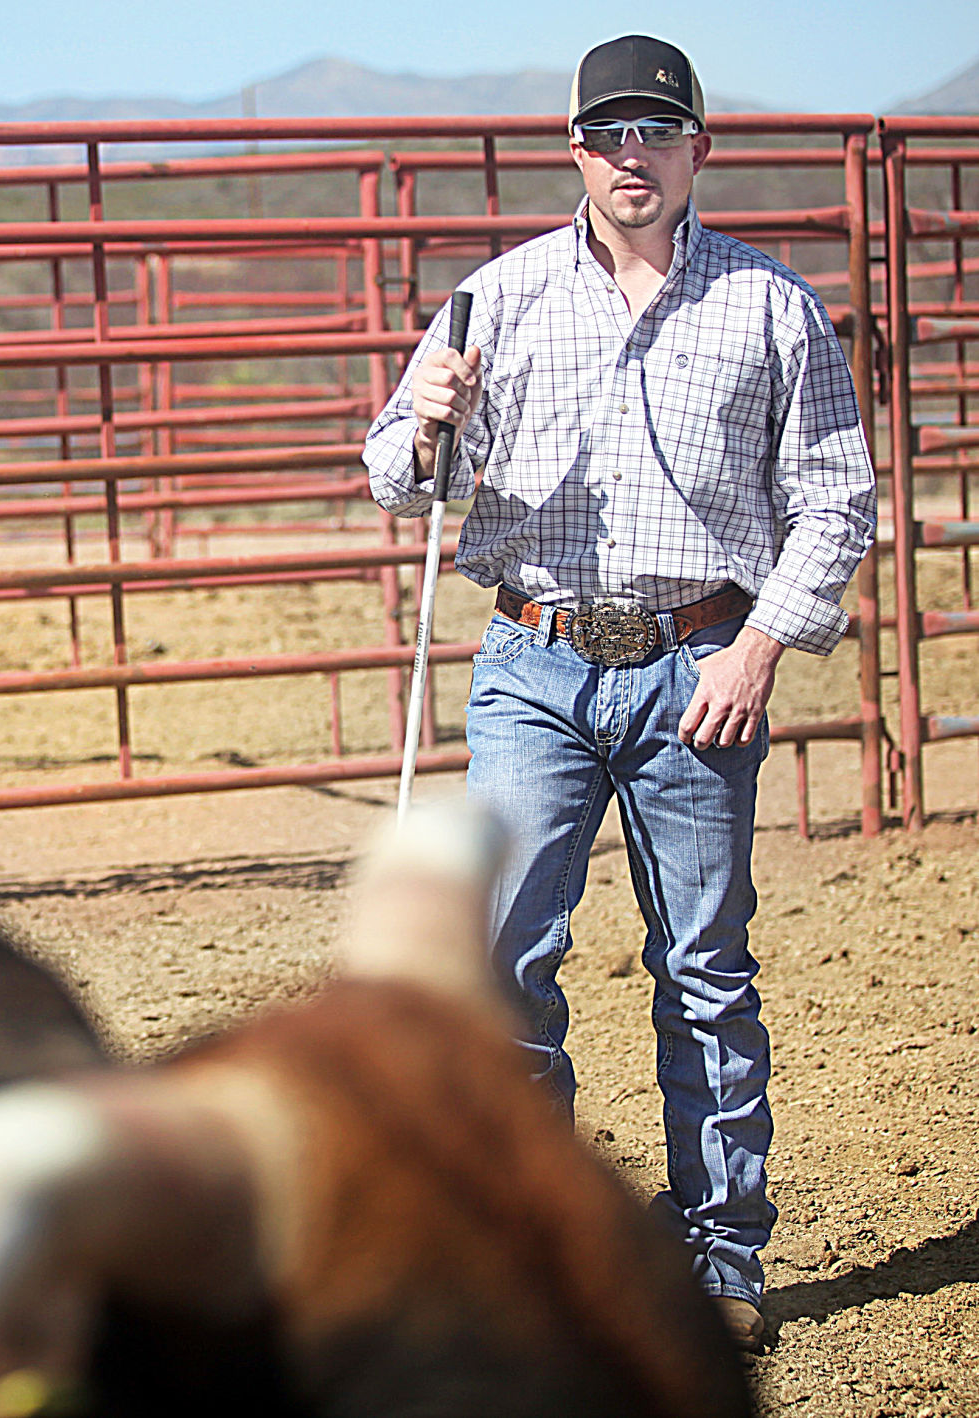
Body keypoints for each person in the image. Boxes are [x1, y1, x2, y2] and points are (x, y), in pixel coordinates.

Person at [362, 33, 876, 1351]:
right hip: (533, 664)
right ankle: (548, 1247)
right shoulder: (497, 299)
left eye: (657, 130)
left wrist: (759, 649)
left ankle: (720, 1255)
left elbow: (837, 501)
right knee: (504, 956)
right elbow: (397, 477)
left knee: (702, 966)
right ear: (573, 150)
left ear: (701, 147)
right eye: (610, 133)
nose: (631, 154)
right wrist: (430, 419)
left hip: (699, 664)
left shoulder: (774, 310)